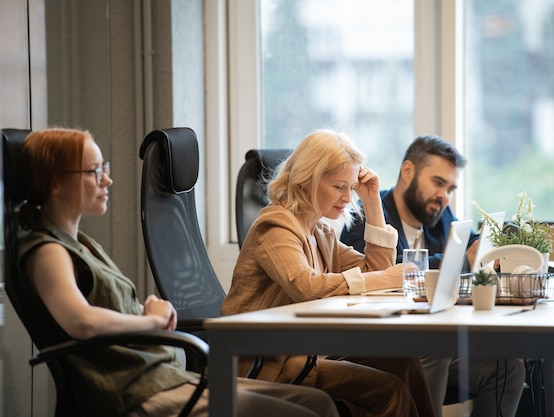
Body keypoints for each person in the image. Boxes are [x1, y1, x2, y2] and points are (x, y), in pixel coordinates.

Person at [15, 127, 340, 417]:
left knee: (318, 403)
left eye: (105, 168)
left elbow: (97, 310)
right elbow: (81, 321)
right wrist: (150, 321)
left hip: (164, 377)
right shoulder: (48, 251)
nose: (107, 179)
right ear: (55, 182)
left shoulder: (83, 244)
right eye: (94, 171)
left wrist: (141, 309)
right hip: (134, 392)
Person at [221, 129, 436, 417]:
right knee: (390, 389)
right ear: (307, 180)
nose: (348, 198)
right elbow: (307, 286)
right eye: (339, 187)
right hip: (266, 361)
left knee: (404, 362)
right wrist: (383, 279)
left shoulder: (320, 232)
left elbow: (375, 271)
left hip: (304, 352)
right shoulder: (274, 226)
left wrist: (372, 204)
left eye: (351, 187)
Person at [340, 134, 525, 417]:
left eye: (450, 188)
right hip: (384, 345)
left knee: (509, 367)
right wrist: (466, 259)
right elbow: (386, 273)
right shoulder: (368, 219)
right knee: (435, 350)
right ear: (408, 171)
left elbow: (466, 247)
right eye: (438, 183)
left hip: (433, 341)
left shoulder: (437, 215)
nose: (444, 195)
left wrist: (489, 249)